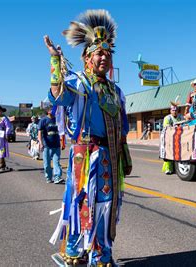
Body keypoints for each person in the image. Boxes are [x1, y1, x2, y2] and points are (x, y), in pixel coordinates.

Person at [44, 9, 132, 266]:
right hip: (86, 156)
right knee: (80, 201)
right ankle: (74, 250)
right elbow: (58, 96)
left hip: (110, 157)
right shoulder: (79, 83)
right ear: (87, 58)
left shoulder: (116, 92)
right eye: (99, 53)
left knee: (106, 206)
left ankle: (101, 255)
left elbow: (123, 127)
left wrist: (124, 155)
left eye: (108, 53)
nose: (104, 57)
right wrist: (55, 62)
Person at [38, 107, 63, 184]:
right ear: (48, 111)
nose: (54, 111)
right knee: (47, 164)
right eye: (53, 109)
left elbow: (61, 131)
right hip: (47, 146)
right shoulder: (43, 120)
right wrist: (41, 143)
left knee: (56, 162)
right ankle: (48, 177)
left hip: (56, 145)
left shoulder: (57, 119)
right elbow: (39, 133)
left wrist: (62, 142)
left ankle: (57, 177)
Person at [161, 101, 183, 174]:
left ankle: (176, 168)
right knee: (169, 153)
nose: (174, 112)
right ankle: (168, 169)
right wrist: (174, 126)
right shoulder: (167, 118)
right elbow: (166, 126)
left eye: (176, 110)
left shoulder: (180, 116)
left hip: (179, 137)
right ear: (170, 111)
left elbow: (184, 123)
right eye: (173, 110)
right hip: (169, 138)